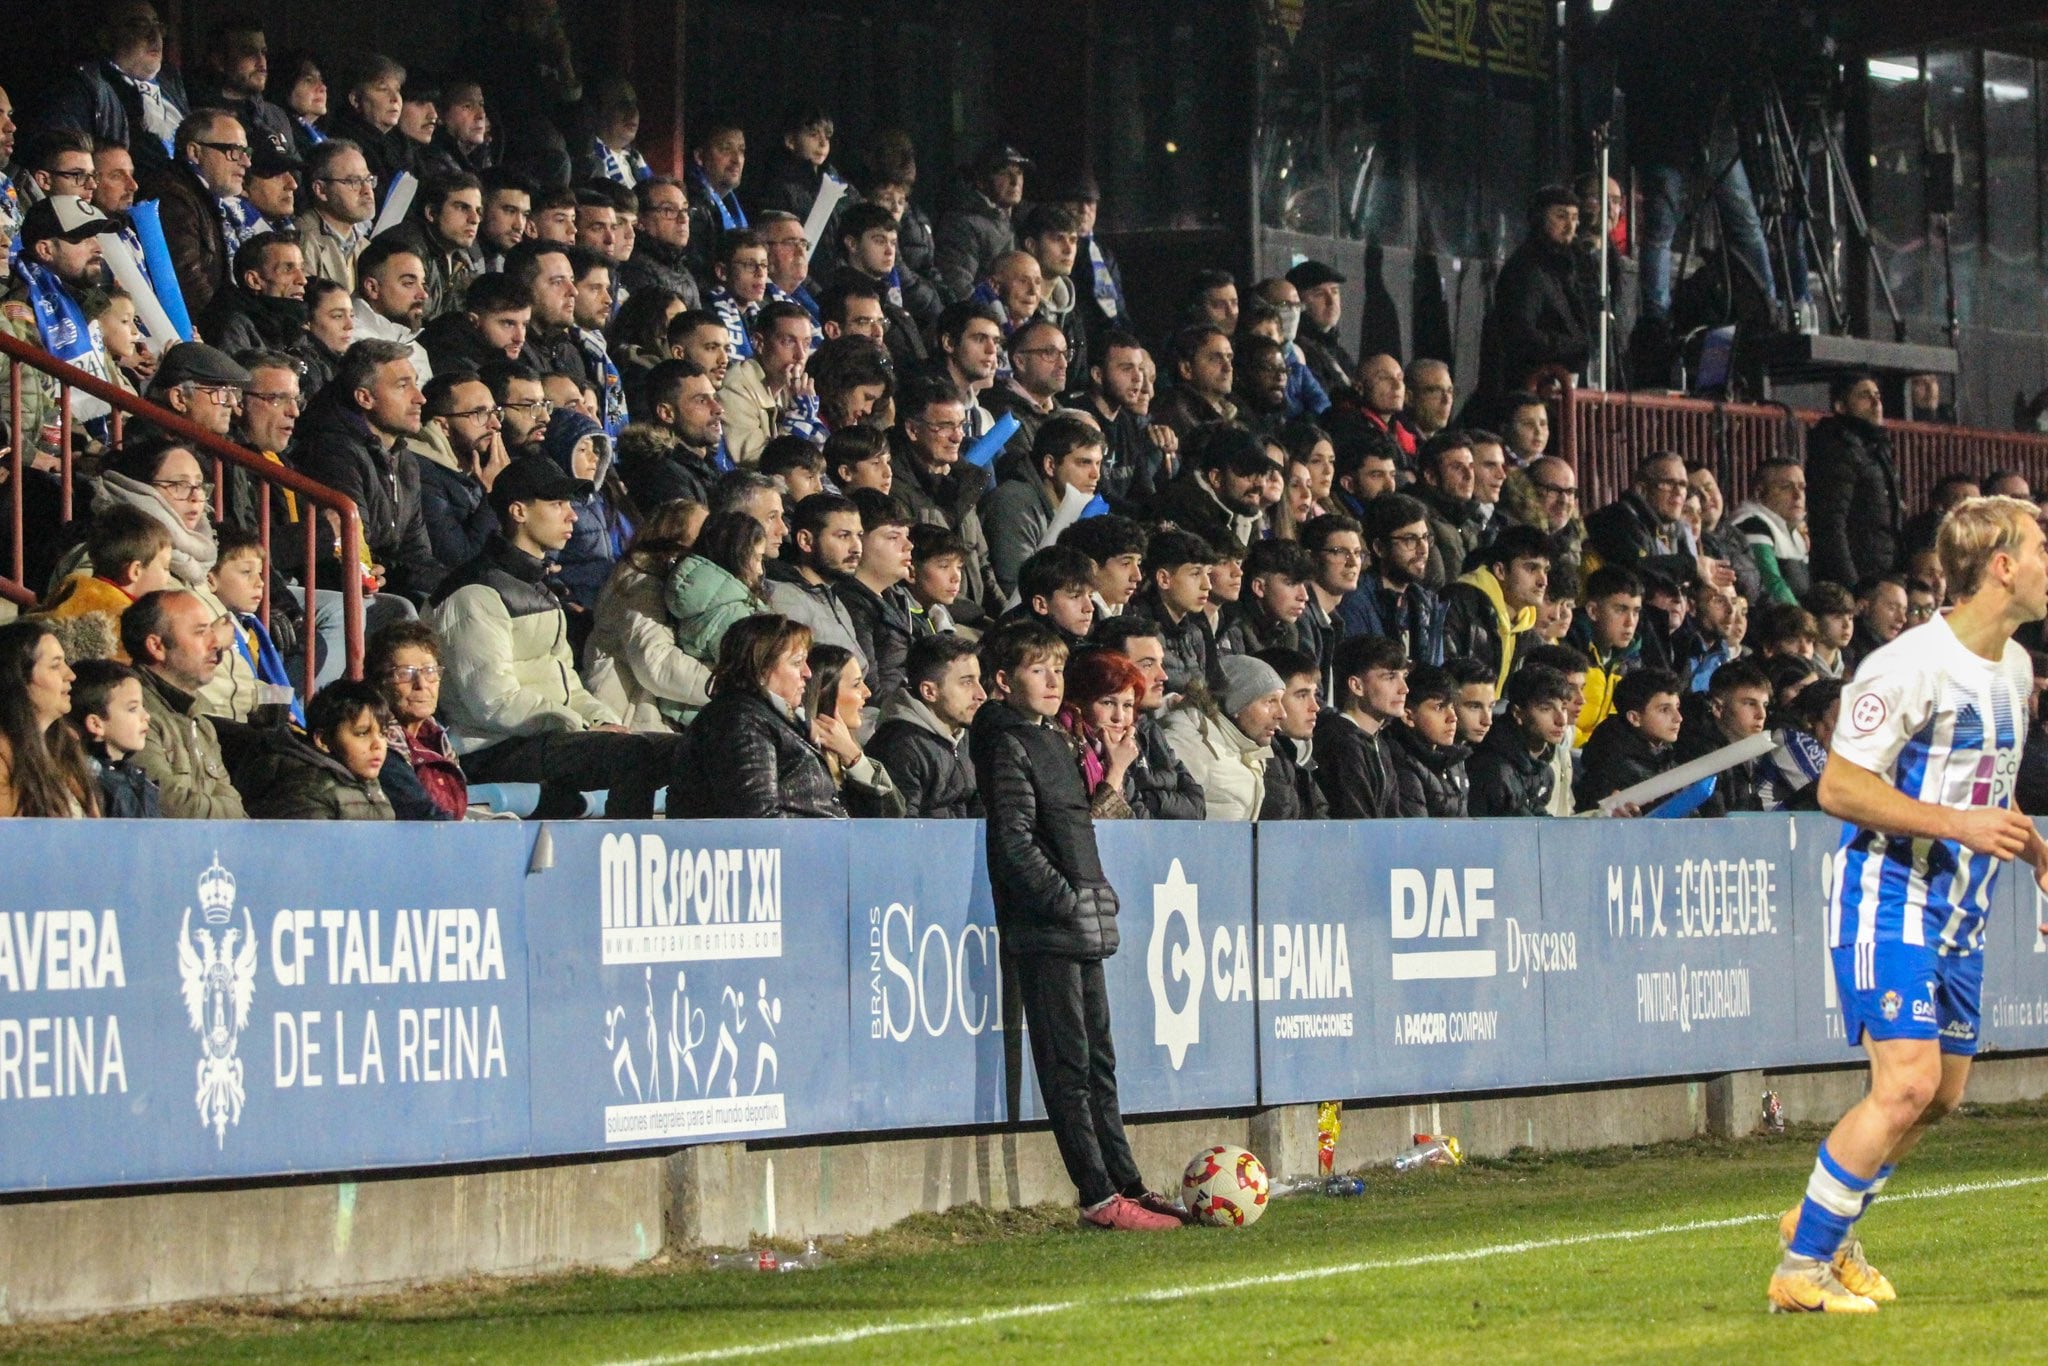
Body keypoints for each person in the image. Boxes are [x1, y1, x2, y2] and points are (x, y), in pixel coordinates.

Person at [1766, 497, 2048, 1312]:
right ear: (2002, 566)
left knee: (1941, 1093)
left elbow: (1984, 791)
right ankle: (1801, 1270)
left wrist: (2037, 853)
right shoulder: (1907, 665)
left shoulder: (2015, 667)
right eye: (2041, 548)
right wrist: (1957, 825)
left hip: (1961, 911)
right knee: (1906, 1084)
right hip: (1888, 894)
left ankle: (1823, 1222)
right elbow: (1840, 787)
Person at [966, 619, 1182, 1231]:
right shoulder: (1007, 743)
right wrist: (1066, 899)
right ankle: (1097, 1197)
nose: (1053, 681)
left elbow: (1072, 828)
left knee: (1098, 1063)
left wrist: (1094, 891)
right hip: (1049, 927)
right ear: (1003, 681)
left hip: (1080, 921)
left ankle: (1126, 1183)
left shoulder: (1052, 739)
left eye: (1058, 669)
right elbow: (1012, 842)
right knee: (1068, 1066)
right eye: (1038, 670)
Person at [428, 457, 685, 818]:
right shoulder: (474, 592)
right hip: (492, 749)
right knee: (632, 755)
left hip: (549, 736)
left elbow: (569, 684)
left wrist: (601, 720)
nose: (573, 516)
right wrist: (582, 727)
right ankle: (625, 841)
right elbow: (492, 701)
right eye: (557, 504)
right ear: (519, 511)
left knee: (685, 751)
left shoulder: (539, 588)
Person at [293, 338, 444, 602]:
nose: (420, 398)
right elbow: (351, 547)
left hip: (389, 584)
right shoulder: (334, 452)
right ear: (365, 397)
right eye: (403, 386)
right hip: (345, 591)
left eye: (416, 383)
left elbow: (416, 553)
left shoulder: (405, 459)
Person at [669, 614, 841, 818]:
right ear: (761, 668)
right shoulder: (740, 722)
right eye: (797, 663)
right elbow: (757, 819)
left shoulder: (769, 717)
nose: (808, 673)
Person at [118, 589, 244, 818]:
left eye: (211, 630)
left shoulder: (201, 723)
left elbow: (234, 803)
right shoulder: (135, 713)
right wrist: (230, 813)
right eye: (200, 632)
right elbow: (170, 806)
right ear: (156, 647)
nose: (215, 642)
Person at [1478, 186, 1589, 404]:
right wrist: (1572, 346)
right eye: (1561, 216)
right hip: (1532, 390)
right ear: (1539, 218)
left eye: (1575, 218)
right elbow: (1521, 333)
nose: (1570, 227)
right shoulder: (1526, 269)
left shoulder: (1567, 267)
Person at [660, 508, 770, 726]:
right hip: (721, 720)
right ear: (736, 556)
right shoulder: (731, 612)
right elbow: (755, 674)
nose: (760, 570)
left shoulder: (710, 600)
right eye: (757, 558)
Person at [1090, 616, 1207, 820]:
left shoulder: (1151, 730)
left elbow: (1197, 806)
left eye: (1161, 663)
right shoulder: (1107, 734)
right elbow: (1136, 816)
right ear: (1114, 666)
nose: (1163, 676)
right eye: (1147, 664)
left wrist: (1154, 800)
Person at [138, 108, 249, 317]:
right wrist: (230, 325)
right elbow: (186, 283)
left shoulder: (199, 196)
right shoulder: (172, 196)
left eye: (246, 152)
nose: (246, 162)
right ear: (195, 152)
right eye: (234, 150)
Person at [33, 505, 172, 664]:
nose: (168, 579)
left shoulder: (70, 592)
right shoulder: (128, 629)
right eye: (166, 568)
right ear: (135, 571)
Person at [868, 633, 986, 817]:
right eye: (967, 682)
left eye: (978, 680)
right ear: (929, 691)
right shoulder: (900, 746)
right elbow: (903, 827)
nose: (981, 694)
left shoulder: (965, 736)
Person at [241, 679, 395, 821]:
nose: (378, 744)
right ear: (323, 740)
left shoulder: (369, 783)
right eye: (362, 733)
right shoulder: (308, 791)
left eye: (383, 733)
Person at [1807, 371, 1902, 593]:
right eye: (1864, 396)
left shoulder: (1873, 448)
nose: (1876, 403)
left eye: (1877, 395)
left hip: (1879, 575)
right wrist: (1852, 585)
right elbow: (1831, 524)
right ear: (1840, 406)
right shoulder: (1837, 449)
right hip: (1859, 580)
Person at [367, 620, 467, 821]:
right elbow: (424, 817)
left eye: (430, 671)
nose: (421, 684)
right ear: (380, 683)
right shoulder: (380, 746)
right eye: (405, 674)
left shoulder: (436, 738)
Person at [0, 621, 96, 817]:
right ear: (18, 679)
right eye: (55, 666)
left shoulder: (64, 746)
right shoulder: (3, 757)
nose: (71, 675)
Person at [1442, 524, 1550, 692]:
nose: (1543, 581)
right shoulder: (1458, 604)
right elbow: (1444, 680)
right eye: (1531, 568)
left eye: (1546, 570)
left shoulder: (1530, 636)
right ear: (1500, 570)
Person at [801, 645, 907, 817]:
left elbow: (894, 816)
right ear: (824, 693)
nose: (867, 692)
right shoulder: (803, 757)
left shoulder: (849, 752)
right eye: (856, 684)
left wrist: (854, 757)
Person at [763, 491, 866, 664]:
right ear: (806, 541)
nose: (857, 548)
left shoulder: (832, 596)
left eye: (859, 536)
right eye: (843, 536)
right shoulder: (786, 601)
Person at [837, 489, 919, 699]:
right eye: (893, 537)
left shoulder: (893, 598)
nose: (908, 545)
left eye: (906, 536)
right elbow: (870, 692)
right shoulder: (851, 605)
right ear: (858, 542)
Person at [1315, 633, 1407, 819]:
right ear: (1356, 686)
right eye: (1390, 677)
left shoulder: (1379, 743)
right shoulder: (1341, 742)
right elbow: (1356, 821)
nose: (1404, 688)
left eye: (1404, 676)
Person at [1670, 656, 1772, 816]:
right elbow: (1715, 822)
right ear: (1717, 708)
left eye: (1764, 705)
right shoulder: (1701, 755)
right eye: (1750, 704)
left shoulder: (1748, 751)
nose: (1761, 714)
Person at [1123, 528, 1220, 696]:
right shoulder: (1138, 632)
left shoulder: (1196, 632)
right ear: (1164, 579)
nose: (1207, 585)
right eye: (1195, 573)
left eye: (1208, 574)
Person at [1466, 662, 1569, 817]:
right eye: (1546, 709)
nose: (1561, 720)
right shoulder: (1494, 770)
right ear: (1518, 713)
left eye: (1564, 708)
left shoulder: (1544, 770)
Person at [1575, 668, 1682, 813]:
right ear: (1634, 718)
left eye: (1677, 707)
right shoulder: (1610, 769)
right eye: (1664, 710)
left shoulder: (1664, 758)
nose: (1678, 718)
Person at [934, 142, 1028, 304]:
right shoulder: (961, 224)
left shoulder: (1020, 219)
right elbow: (959, 288)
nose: (1015, 181)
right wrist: (997, 316)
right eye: (1004, 173)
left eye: (1019, 173)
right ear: (981, 181)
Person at [67, 658, 160, 817]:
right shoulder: (93, 784)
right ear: (96, 724)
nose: (146, 716)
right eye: (132, 709)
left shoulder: (135, 777)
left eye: (143, 706)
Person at [1251, 646, 1327, 820]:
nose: (1315, 707)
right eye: (1302, 695)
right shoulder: (1267, 759)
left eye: (1315, 695)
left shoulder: (1290, 754)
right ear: (1271, 698)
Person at [1387, 662, 1471, 818]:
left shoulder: (1453, 760)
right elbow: (1417, 830)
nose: (1453, 717)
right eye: (1439, 707)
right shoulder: (1402, 766)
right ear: (1408, 716)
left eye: (1452, 706)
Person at [1732, 459, 1811, 606]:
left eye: (1802, 487)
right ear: (1759, 492)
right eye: (1786, 487)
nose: (1798, 495)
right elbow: (1772, 584)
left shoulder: (1795, 530)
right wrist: (1805, 619)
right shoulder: (1753, 523)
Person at [1217, 539, 1313, 659]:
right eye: (1291, 584)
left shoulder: (1289, 631)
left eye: (1304, 585)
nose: (1304, 596)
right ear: (1259, 587)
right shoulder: (1230, 628)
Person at [1150, 325, 1237, 438]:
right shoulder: (1174, 414)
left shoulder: (1237, 408)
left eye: (1229, 358)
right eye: (1215, 359)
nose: (1228, 368)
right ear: (1186, 369)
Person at [1286, 259, 1353, 396]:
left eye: (1334, 291)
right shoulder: (1298, 352)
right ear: (1298, 302)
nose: (1331, 301)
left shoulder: (1336, 350)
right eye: (1319, 294)